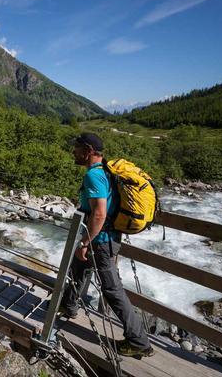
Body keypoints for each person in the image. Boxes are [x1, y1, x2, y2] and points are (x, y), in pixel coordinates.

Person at [59, 132, 154, 358]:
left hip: (101, 242)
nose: (74, 151)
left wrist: (85, 242)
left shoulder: (94, 176)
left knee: (112, 290)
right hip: (107, 238)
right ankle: (68, 306)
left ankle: (138, 341)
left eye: (77, 147)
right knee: (78, 268)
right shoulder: (107, 172)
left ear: (88, 151)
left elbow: (99, 214)